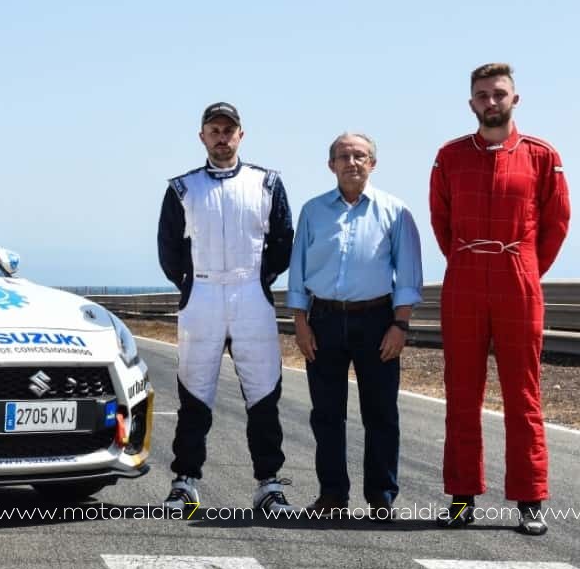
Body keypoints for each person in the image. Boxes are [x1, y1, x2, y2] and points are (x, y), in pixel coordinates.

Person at [429, 63, 571, 536]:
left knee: (523, 393)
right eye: (483, 95)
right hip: (465, 277)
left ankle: (530, 498)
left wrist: (524, 267)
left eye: (499, 94)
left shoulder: (541, 156)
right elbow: (441, 223)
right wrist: (472, 260)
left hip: (518, 279)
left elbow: (557, 224)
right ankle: (463, 495)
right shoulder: (449, 157)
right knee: (461, 390)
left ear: (515, 99)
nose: (492, 102)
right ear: (471, 103)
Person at [157, 101, 299, 516]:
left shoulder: (267, 182)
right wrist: (187, 282)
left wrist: (259, 279)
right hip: (201, 295)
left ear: (241, 135)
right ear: (202, 136)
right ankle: (185, 482)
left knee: (263, 393)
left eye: (228, 130)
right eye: (214, 130)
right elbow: (168, 247)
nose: (222, 137)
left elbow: (284, 241)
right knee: (194, 392)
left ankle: (269, 485)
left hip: (251, 294)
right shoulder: (182, 187)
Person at [287, 133, 423, 522]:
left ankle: (381, 497)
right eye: (343, 156)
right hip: (324, 320)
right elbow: (298, 271)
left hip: (377, 320)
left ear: (373, 164)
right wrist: (300, 323)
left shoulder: (395, 211)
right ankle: (332, 494)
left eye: (360, 156)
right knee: (326, 413)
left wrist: (400, 326)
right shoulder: (313, 211)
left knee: (380, 412)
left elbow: (409, 274)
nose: (352, 162)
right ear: (331, 164)